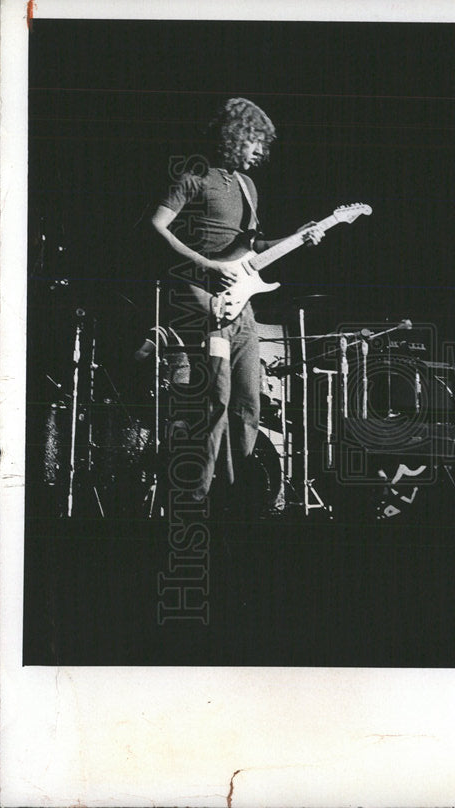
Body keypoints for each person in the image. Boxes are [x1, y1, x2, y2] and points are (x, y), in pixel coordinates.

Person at [149, 97, 324, 507]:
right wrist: (206, 262)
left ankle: (236, 498)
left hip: (242, 308)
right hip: (204, 303)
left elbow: (253, 247)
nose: (260, 151)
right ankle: (196, 500)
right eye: (255, 142)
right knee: (216, 403)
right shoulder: (195, 175)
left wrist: (298, 236)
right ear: (236, 136)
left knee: (248, 404)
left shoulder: (248, 187)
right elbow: (156, 227)